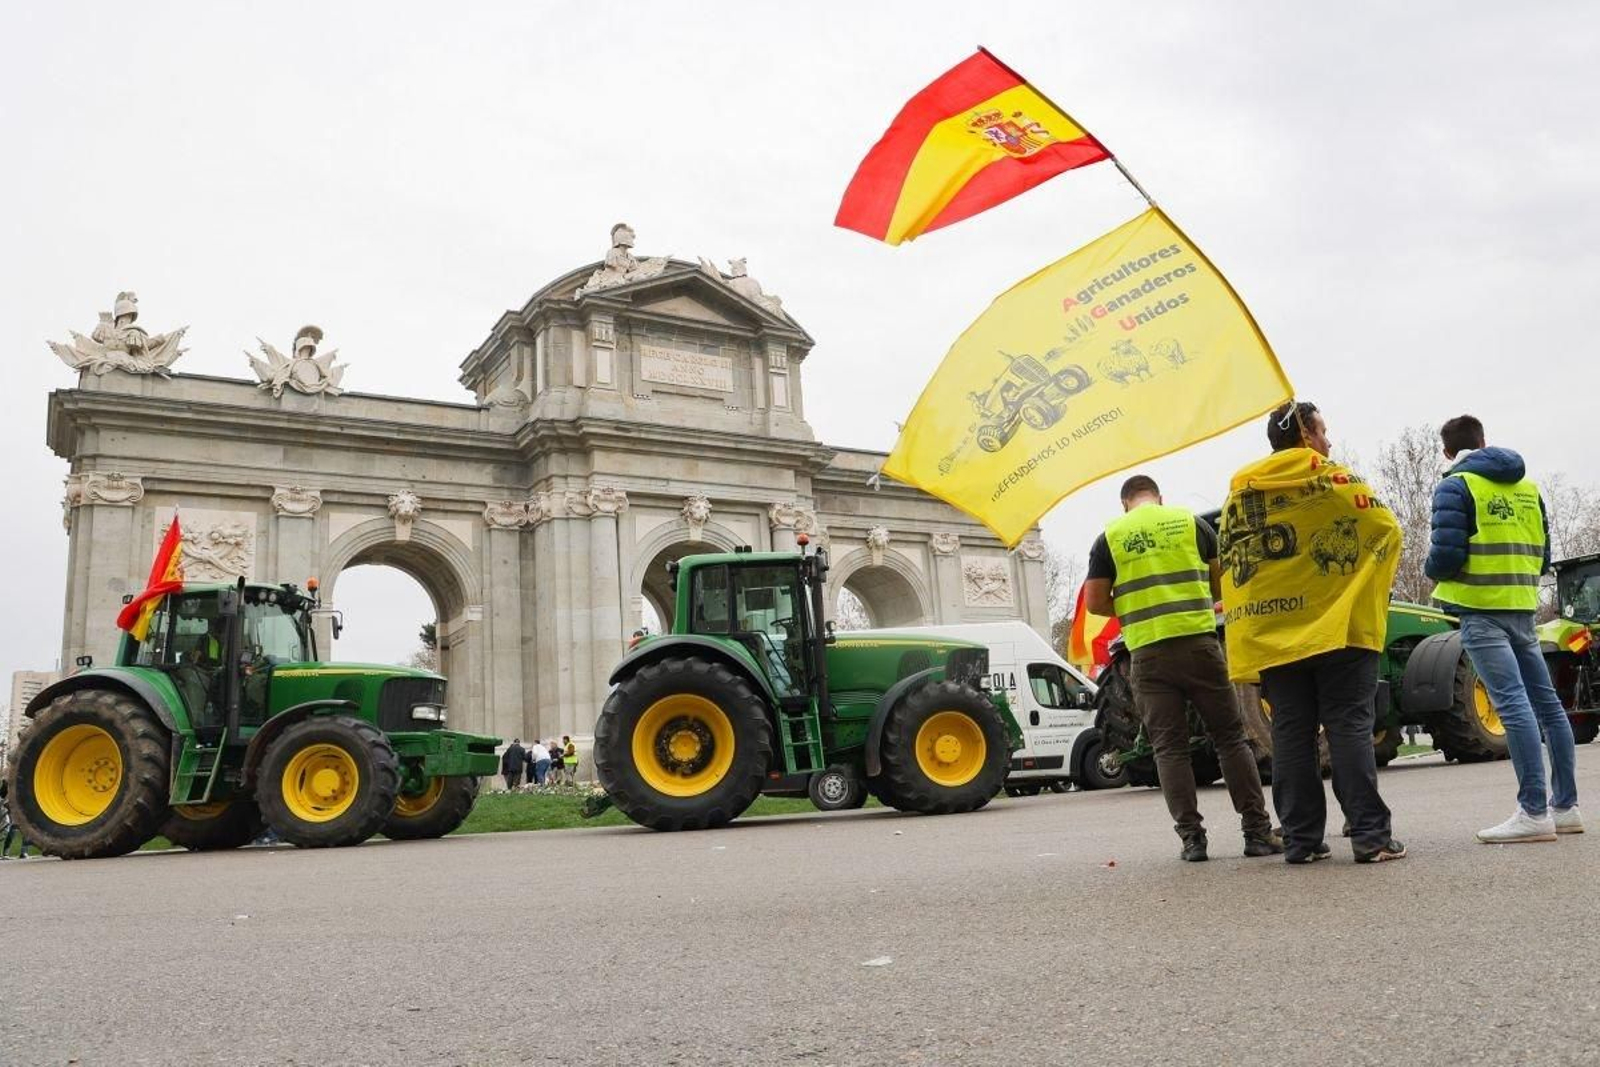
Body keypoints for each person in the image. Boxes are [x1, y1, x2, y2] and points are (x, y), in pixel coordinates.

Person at [1220, 401, 1406, 864]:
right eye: (1323, 432)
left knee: (1291, 732)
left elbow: (1235, 563)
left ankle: (1301, 841)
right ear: (1305, 435)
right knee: (1348, 726)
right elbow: (1386, 528)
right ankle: (1370, 837)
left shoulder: (1242, 491)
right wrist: (1363, 583)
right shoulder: (1333, 478)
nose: (1328, 441)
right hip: (1339, 629)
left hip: (1276, 634)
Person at [1084, 474, 1280, 862]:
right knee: (1230, 739)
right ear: (1159, 498)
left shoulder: (1110, 537)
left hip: (1148, 655)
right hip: (1199, 647)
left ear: (1125, 504)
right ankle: (1256, 832)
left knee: (1169, 749)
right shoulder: (1190, 523)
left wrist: (1131, 605)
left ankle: (1192, 840)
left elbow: (1094, 602)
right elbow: (1221, 583)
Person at [1425, 414, 1580, 842]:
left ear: (1448, 452)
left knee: (1511, 705)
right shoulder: (1528, 488)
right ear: (1484, 442)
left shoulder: (1455, 486)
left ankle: (1533, 812)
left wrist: (1429, 570)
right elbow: (1543, 555)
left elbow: (1445, 557)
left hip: (1481, 609)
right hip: (1522, 607)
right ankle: (1565, 807)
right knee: (1548, 705)